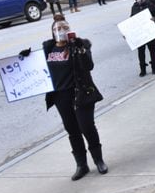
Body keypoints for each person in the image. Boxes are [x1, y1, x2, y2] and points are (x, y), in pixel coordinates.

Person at [31, 14, 106, 181]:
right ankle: (81, 165)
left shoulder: (80, 45)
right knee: (72, 130)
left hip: (81, 92)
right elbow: (36, 69)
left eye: (65, 28)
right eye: (57, 29)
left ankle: (98, 160)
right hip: (60, 96)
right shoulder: (48, 48)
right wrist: (26, 58)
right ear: (52, 33)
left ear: (70, 30)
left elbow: (89, 66)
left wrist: (80, 50)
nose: (61, 31)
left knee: (87, 127)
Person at [131, 0, 155, 76]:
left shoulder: (150, 5)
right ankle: (143, 70)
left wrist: (154, 19)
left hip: (149, 33)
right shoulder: (134, 7)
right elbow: (131, 20)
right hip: (140, 34)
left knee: (152, 50)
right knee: (141, 52)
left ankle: (154, 67)